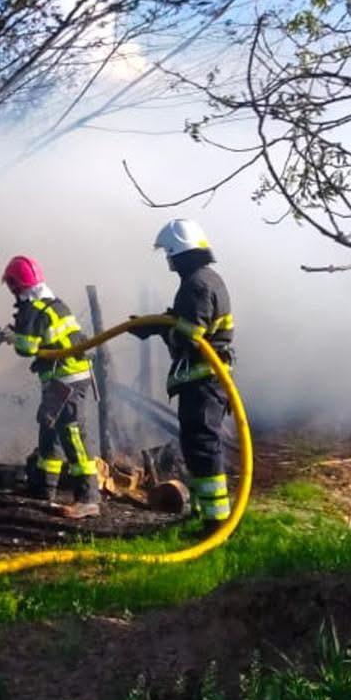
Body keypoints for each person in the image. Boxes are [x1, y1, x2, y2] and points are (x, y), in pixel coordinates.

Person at [128, 219, 235, 533]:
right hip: (203, 380)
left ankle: (216, 522)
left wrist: (159, 327)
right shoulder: (205, 279)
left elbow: (190, 337)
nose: (168, 261)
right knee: (195, 445)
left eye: (169, 254)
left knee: (203, 446)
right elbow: (186, 323)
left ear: (179, 253)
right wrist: (156, 324)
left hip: (203, 380)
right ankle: (204, 511)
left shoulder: (196, 285)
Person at [0, 255, 102, 518]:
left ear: (17, 285)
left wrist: (8, 336)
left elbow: (26, 347)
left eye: (11, 286)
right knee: (49, 428)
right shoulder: (54, 304)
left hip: (67, 379)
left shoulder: (33, 310)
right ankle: (45, 487)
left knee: (72, 434)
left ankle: (88, 498)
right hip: (64, 377)